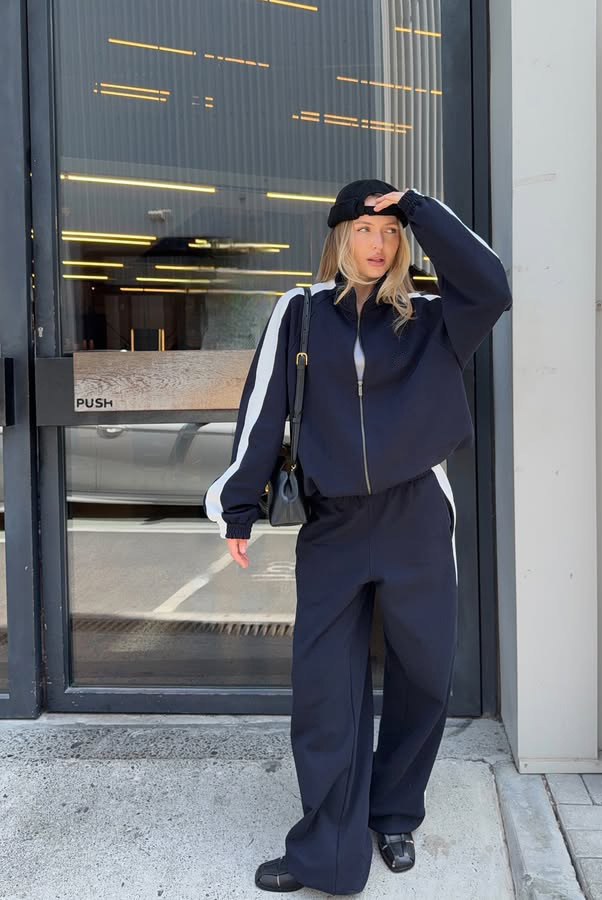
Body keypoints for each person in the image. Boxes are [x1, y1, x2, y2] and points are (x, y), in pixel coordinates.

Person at [204, 179, 513, 894]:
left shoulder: (433, 316)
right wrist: (238, 503)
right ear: (341, 237)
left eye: (391, 232)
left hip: (417, 517)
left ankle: (394, 812)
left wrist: (420, 208)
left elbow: (493, 286)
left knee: (424, 676)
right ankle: (328, 852)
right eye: (366, 230)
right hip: (334, 523)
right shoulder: (300, 312)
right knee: (325, 689)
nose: (379, 245)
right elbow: (263, 408)